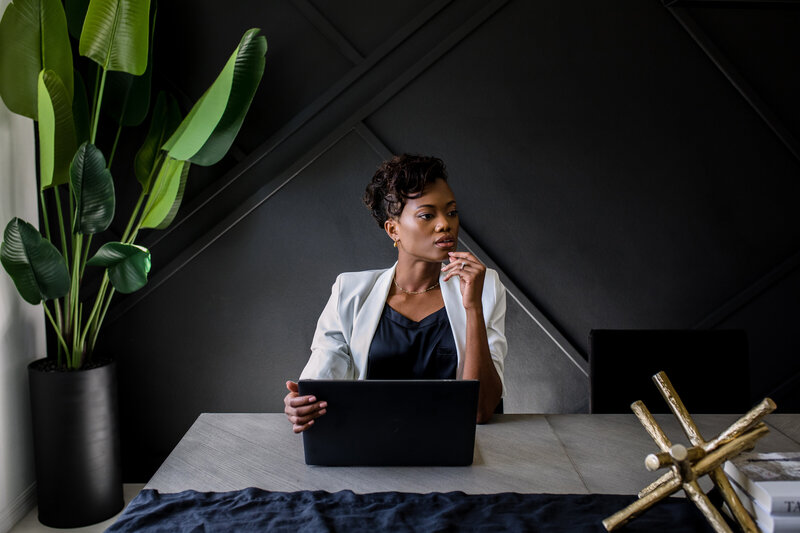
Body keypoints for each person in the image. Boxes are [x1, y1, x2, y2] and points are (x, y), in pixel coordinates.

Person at [284, 154, 507, 433]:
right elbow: (319, 382)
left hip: (455, 450)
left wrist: (472, 307)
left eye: (451, 212)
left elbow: (480, 411)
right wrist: (299, 403)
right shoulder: (350, 292)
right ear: (394, 229)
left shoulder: (484, 287)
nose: (444, 224)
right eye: (427, 215)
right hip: (370, 447)